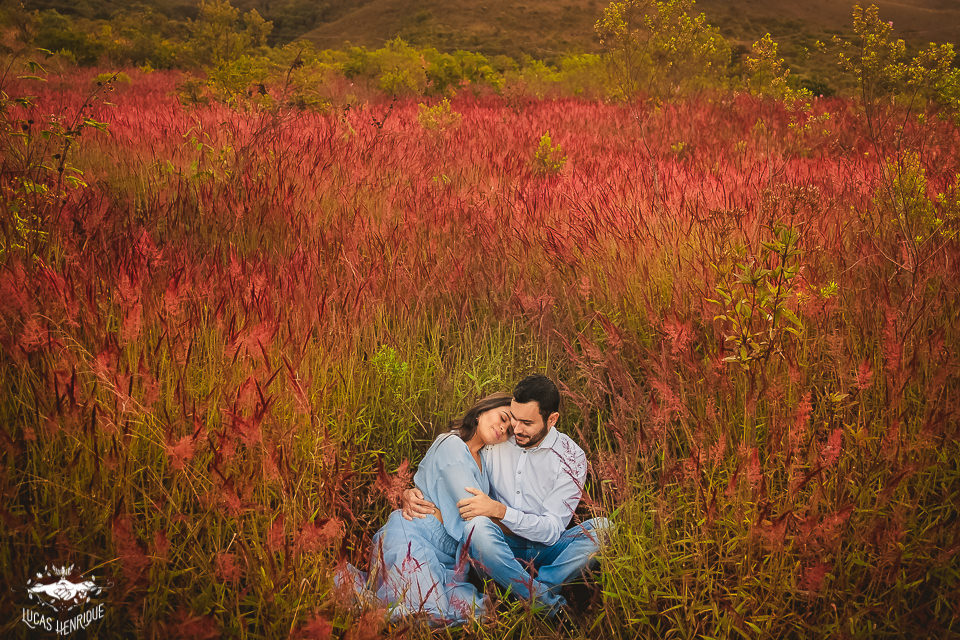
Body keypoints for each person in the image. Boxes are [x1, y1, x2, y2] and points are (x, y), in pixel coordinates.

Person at [403, 374, 609, 616]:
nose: (516, 429)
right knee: (476, 529)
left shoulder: (572, 458)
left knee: (605, 528)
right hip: (496, 544)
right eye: (513, 418)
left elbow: (552, 530)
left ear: (552, 419)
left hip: (545, 548)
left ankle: (535, 590)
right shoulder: (499, 438)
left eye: (527, 423)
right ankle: (541, 600)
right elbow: (458, 453)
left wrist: (501, 511)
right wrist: (411, 491)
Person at [338, 392, 514, 625]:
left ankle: (373, 600)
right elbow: (471, 509)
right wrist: (510, 518)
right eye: (503, 418)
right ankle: (369, 604)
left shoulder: (482, 462)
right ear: (482, 411)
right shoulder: (452, 444)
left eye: (509, 429)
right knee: (426, 612)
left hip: (449, 560)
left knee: (478, 612)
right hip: (415, 536)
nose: (503, 428)